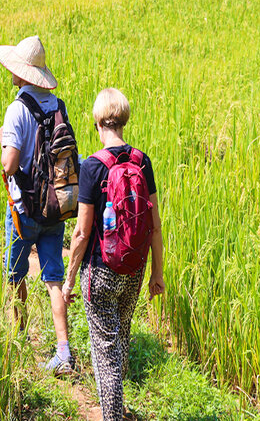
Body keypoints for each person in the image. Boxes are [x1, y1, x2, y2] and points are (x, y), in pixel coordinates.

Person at [62, 88, 165, 420]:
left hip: (101, 270)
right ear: (124, 120)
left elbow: (81, 232)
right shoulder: (141, 161)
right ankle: (117, 407)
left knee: (103, 352)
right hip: (134, 266)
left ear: (97, 122)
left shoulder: (92, 167)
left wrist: (69, 280)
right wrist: (157, 274)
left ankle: (112, 415)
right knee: (121, 333)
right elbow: (155, 225)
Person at [0, 35, 74, 375]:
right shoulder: (58, 106)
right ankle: (64, 353)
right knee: (53, 279)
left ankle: (19, 337)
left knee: (14, 275)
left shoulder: (17, 110)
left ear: (23, 74)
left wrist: (2, 143)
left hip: (23, 208)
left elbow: (10, 165)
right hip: (56, 206)